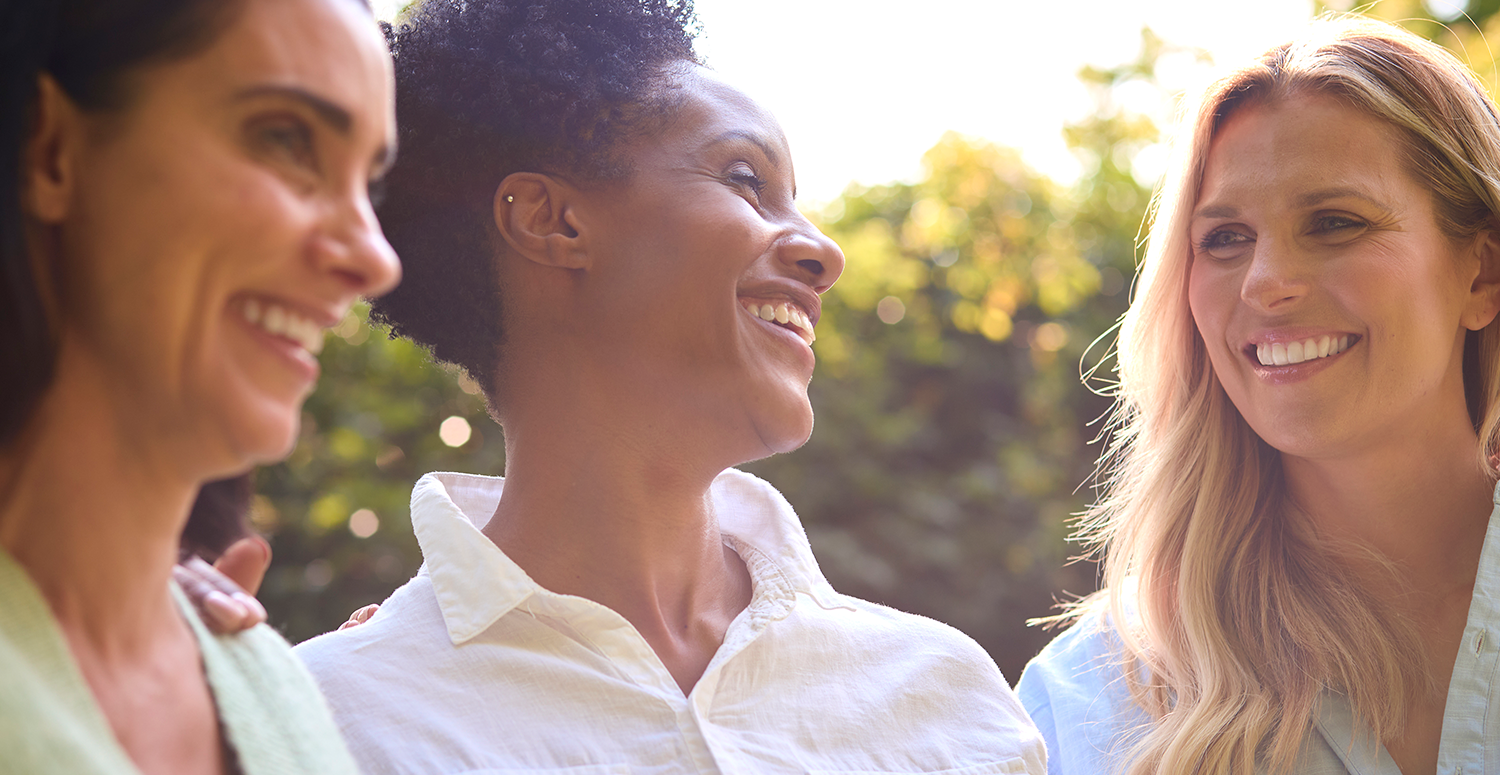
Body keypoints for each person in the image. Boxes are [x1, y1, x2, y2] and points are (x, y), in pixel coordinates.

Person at [292, 0, 1047, 772]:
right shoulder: (325, 726)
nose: (824, 251)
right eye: (746, 179)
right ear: (553, 221)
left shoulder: (947, 701)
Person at [1016, 16, 1500, 775]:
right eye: (1225, 239)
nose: (1266, 281)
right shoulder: (1084, 701)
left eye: (1335, 223)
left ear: (1482, 275)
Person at [0, 0, 401, 771]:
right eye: (286, 139)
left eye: (370, 187)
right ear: (49, 149)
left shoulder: (277, 688)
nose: (375, 259)